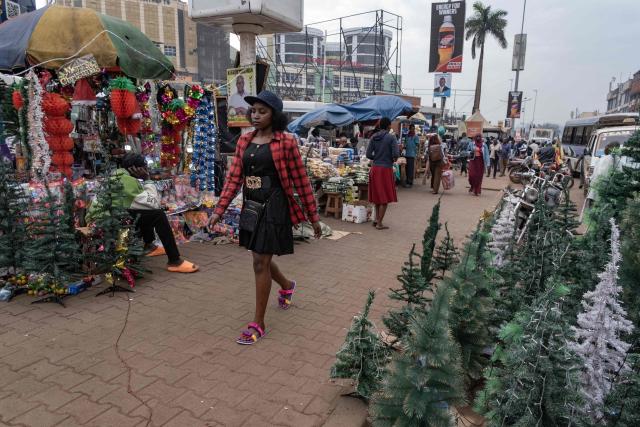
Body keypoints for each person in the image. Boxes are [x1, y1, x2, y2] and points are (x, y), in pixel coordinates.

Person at [208, 91, 321, 345]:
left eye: (263, 111)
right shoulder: (244, 141)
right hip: (252, 205)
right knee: (260, 255)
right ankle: (287, 284)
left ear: (275, 115)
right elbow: (234, 178)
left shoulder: (286, 142)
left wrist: (313, 217)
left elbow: (301, 180)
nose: (256, 115)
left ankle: (258, 323)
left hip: (275, 205)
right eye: (254, 111)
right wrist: (219, 210)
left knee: (260, 259)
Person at [86, 154, 199, 273]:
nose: (147, 170)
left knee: (146, 213)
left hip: (108, 217)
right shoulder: (125, 181)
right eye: (145, 168)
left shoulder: (119, 175)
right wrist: (147, 179)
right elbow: (153, 202)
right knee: (157, 215)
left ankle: (149, 246)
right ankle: (174, 260)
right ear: (135, 169)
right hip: (102, 221)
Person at [366, 117, 399, 230]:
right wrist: (389, 158)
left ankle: (376, 219)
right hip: (385, 169)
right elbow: (395, 154)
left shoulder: (373, 137)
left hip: (375, 169)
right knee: (384, 198)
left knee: (377, 196)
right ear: (389, 126)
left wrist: (377, 157)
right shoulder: (391, 138)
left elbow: (368, 154)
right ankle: (379, 223)